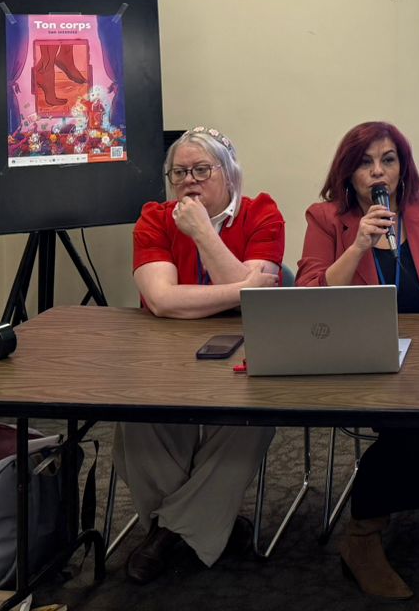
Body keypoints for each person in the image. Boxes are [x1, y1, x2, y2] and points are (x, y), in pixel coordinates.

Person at [296, 121, 419, 601]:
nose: (377, 172)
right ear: (348, 173)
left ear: (402, 168)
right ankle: (363, 536)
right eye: (365, 163)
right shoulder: (326, 219)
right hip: (359, 355)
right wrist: (359, 245)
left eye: (388, 160)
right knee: (413, 423)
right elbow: (309, 296)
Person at [116, 126, 284, 583]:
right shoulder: (154, 218)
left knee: (253, 419)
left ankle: (168, 533)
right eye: (179, 173)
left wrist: (203, 233)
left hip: (245, 357)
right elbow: (162, 300)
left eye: (202, 171)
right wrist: (243, 288)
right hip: (164, 354)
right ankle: (205, 525)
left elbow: (253, 309)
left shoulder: (263, 213)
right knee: (135, 420)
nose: (188, 181)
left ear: (229, 175)